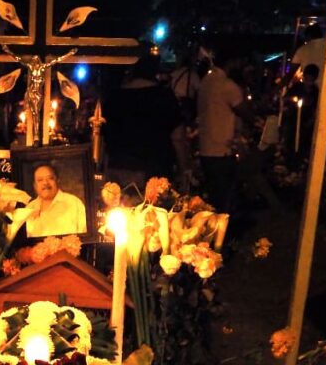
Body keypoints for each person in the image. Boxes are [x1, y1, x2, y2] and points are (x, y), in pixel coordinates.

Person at [102, 55, 190, 190]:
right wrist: (183, 169)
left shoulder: (114, 97)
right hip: (155, 172)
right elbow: (178, 137)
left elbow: (104, 138)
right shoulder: (164, 96)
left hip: (119, 171)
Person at [197, 51, 250, 213]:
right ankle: (223, 234)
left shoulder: (206, 80)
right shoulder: (227, 85)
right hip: (222, 150)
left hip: (206, 147)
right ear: (232, 63)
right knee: (224, 199)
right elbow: (247, 113)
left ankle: (213, 232)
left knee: (213, 197)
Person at [23, 162, 86, 238]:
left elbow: (85, 238)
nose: (45, 183)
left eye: (50, 178)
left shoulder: (74, 203)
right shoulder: (28, 209)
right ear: (35, 186)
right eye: (40, 180)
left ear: (57, 180)